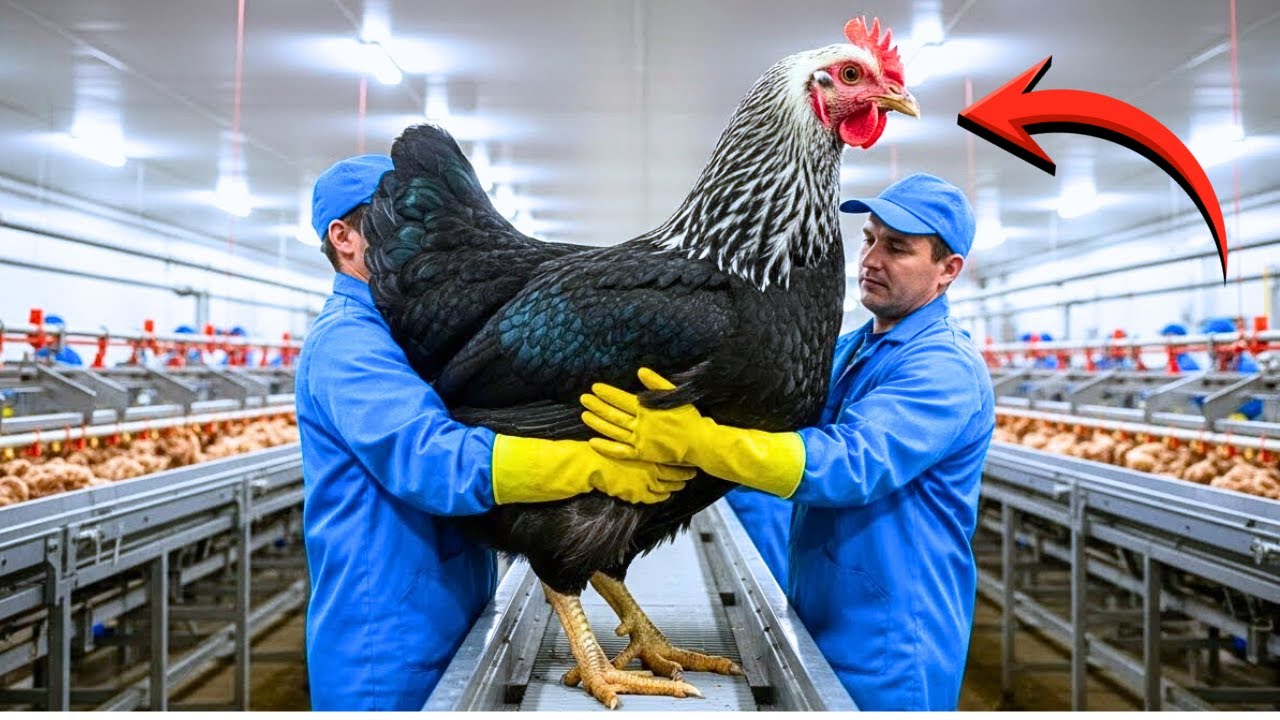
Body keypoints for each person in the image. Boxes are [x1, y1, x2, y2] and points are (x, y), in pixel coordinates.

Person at [580, 173, 995, 710]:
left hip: (893, 638)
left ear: (947, 270)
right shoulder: (854, 350)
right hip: (819, 608)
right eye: (868, 238)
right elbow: (773, 422)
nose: (870, 258)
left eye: (897, 248)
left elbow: (848, 466)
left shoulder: (943, 368)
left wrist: (695, 440)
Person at [295, 155, 693, 711]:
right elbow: (433, 461)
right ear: (344, 238)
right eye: (395, 217)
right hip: (383, 640)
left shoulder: (410, 333)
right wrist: (592, 467)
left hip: (449, 614)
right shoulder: (349, 344)